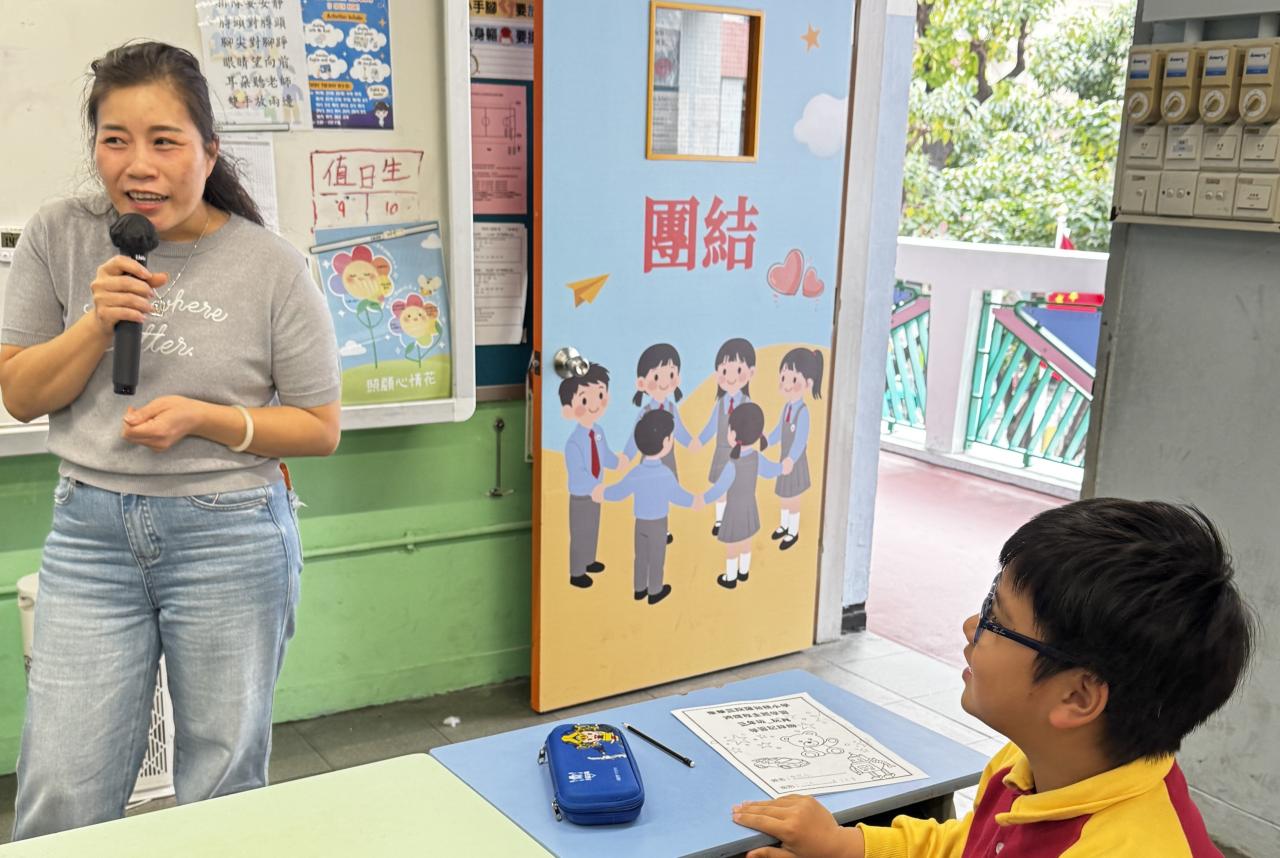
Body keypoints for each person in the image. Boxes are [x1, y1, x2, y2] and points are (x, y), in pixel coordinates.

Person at [0, 41, 341, 839]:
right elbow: (20, 393)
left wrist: (205, 417)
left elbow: (319, 426)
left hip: (230, 534)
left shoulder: (273, 267)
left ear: (208, 152)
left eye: (164, 141)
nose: (138, 165)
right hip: (90, 535)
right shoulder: (59, 235)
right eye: (115, 140)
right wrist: (98, 321)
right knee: (62, 785)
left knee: (221, 781)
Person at [730, 498, 1255, 858]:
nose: (970, 626)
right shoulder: (1027, 766)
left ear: (1076, 696)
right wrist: (848, 845)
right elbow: (969, 846)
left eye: (994, 618)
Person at [594, 408, 703, 605]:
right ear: (666, 442)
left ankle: (639, 589)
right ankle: (654, 590)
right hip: (658, 523)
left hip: (641, 523)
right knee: (656, 557)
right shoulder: (665, 473)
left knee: (641, 557)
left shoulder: (636, 472)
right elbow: (678, 495)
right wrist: (694, 501)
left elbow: (619, 491)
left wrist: (602, 492)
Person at [703, 402, 780, 589]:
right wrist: (783, 467)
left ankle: (730, 577)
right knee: (746, 541)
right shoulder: (757, 458)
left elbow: (719, 488)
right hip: (749, 507)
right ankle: (743, 572)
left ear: (733, 434)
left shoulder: (732, 464)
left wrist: (703, 499)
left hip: (734, 509)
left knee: (732, 545)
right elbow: (771, 471)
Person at [559, 362, 617, 589]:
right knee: (579, 533)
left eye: (600, 395)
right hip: (581, 496)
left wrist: (617, 462)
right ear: (568, 409)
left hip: (596, 493)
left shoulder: (598, 432)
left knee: (593, 528)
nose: (594, 405)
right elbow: (579, 472)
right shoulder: (573, 442)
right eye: (584, 400)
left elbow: (605, 455)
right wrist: (594, 487)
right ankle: (577, 571)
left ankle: (589, 560)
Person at [694, 337, 756, 537]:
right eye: (724, 371)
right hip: (721, 451)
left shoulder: (746, 402)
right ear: (717, 374)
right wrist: (700, 441)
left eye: (737, 370)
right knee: (720, 489)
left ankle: (735, 518)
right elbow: (711, 426)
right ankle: (720, 519)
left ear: (750, 372)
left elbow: (754, 425)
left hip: (739, 453)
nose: (730, 377)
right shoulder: (720, 403)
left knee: (736, 489)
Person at [767, 348, 823, 551]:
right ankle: (784, 525)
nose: (786, 384)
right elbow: (778, 431)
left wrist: (791, 458)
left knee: (794, 497)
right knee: (784, 494)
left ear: (808, 384)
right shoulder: (786, 408)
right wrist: (766, 441)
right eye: (783, 378)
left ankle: (793, 530)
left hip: (795, 461)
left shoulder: (803, 411)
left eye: (793, 379)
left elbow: (800, 440)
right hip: (784, 459)